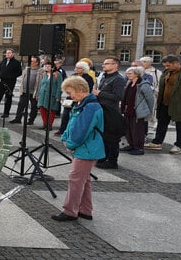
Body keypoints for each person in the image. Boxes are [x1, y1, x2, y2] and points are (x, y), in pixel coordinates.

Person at [52, 76, 105, 222]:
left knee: (75, 179)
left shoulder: (90, 106)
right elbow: (73, 125)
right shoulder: (83, 104)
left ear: (81, 90)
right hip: (86, 148)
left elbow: (82, 130)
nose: (70, 95)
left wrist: (70, 143)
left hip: (86, 149)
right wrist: (65, 137)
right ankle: (85, 210)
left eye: (71, 92)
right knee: (84, 180)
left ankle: (70, 211)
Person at [144, 55, 181, 155]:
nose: (166, 68)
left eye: (168, 65)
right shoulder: (166, 73)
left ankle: (179, 145)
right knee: (162, 124)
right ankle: (157, 142)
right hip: (164, 103)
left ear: (176, 63)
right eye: (165, 66)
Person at [93, 56, 127, 169]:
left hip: (112, 112)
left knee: (111, 138)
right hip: (102, 110)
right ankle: (103, 157)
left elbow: (118, 96)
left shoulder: (118, 79)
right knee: (103, 136)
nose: (103, 65)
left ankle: (112, 161)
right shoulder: (104, 77)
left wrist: (99, 94)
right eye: (103, 63)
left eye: (106, 63)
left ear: (115, 65)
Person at [121, 66, 154, 155]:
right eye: (127, 73)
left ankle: (139, 148)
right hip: (129, 110)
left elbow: (150, 99)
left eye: (130, 73)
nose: (128, 75)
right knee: (129, 129)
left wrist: (149, 111)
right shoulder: (129, 83)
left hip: (138, 111)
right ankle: (131, 144)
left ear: (137, 74)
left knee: (138, 130)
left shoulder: (143, 84)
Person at [0, 49, 23, 118]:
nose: (7, 54)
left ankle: (6, 113)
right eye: (7, 53)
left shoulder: (16, 63)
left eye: (9, 53)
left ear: (13, 54)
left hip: (10, 82)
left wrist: (11, 76)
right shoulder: (3, 61)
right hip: (2, 81)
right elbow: (0, 69)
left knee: (8, 98)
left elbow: (19, 72)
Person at [35, 60, 63, 129]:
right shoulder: (44, 74)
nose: (47, 67)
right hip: (42, 95)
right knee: (42, 109)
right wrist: (38, 94)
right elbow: (41, 85)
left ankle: (49, 125)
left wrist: (58, 96)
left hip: (52, 95)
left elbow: (60, 86)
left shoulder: (57, 74)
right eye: (46, 66)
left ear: (52, 67)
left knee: (52, 110)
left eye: (48, 66)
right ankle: (45, 124)